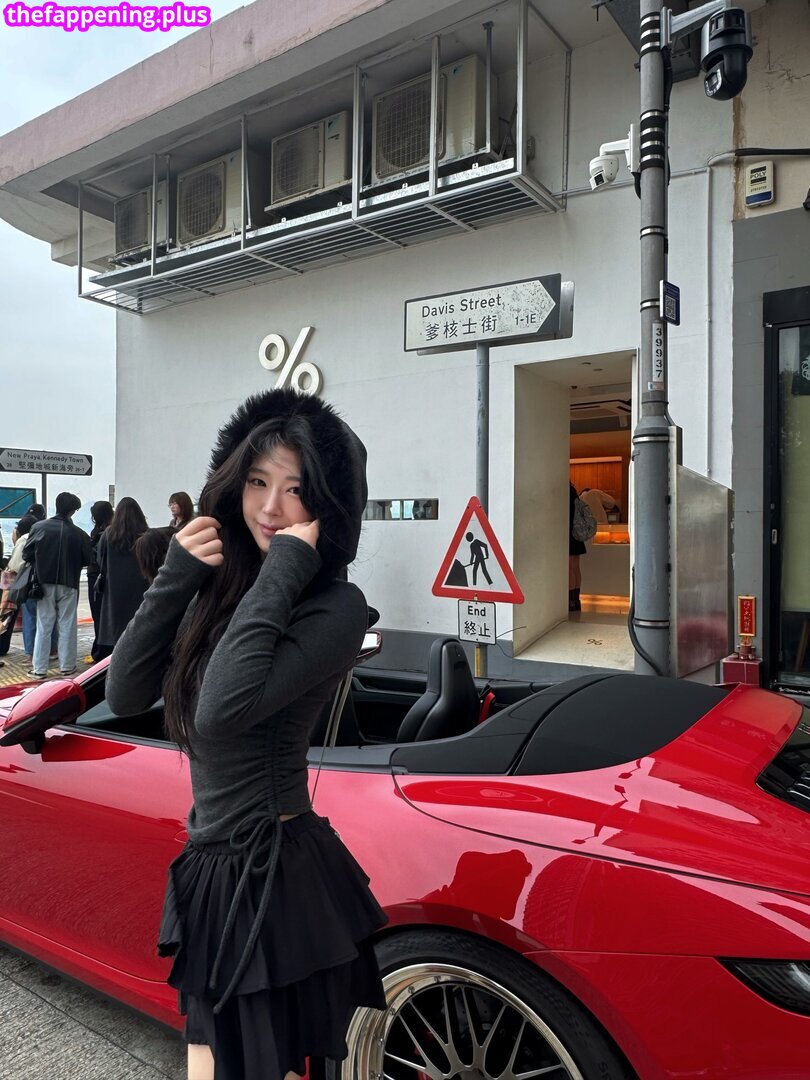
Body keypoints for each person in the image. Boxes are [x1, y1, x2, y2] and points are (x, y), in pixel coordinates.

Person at [107, 388, 387, 1080]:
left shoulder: (336, 607)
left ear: (326, 507)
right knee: (212, 1055)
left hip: (272, 876)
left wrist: (288, 564)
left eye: (296, 490)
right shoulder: (222, 591)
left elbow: (222, 711)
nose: (270, 507)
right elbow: (124, 693)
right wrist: (175, 578)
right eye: (258, 482)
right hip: (212, 868)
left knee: (252, 1065)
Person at [23, 493, 92, 678]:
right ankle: (67, 666)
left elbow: (26, 554)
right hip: (69, 582)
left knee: (44, 624)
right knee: (67, 624)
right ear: (73, 510)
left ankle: (39, 669)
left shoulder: (39, 527)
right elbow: (88, 559)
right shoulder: (79, 534)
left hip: (43, 582)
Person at [94, 497, 149, 660]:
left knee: (115, 627)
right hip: (140, 587)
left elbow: (100, 560)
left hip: (114, 588)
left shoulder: (108, 534)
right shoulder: (146, 535)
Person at [1, 514, 57, 662]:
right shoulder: (45, 536)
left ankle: (31, 653)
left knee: (30, 617)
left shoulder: (24, 540)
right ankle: (52, 650)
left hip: (29, 584)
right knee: (48, 617)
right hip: (47, 582)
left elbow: (15, 565)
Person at [87, 500, 114, 662]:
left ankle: (100, 650)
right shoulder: (111, 530)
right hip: (106, 577)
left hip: (96, 576)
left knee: (98, 613)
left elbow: (96, 557)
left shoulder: (102, 533)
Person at [569, 481, 586, 612]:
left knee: (569, 568)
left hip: (569, 534)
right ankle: (576, 600)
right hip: (577, 535)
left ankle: (570, 601)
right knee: (575, 567)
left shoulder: (564, 494)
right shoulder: (574, 493)